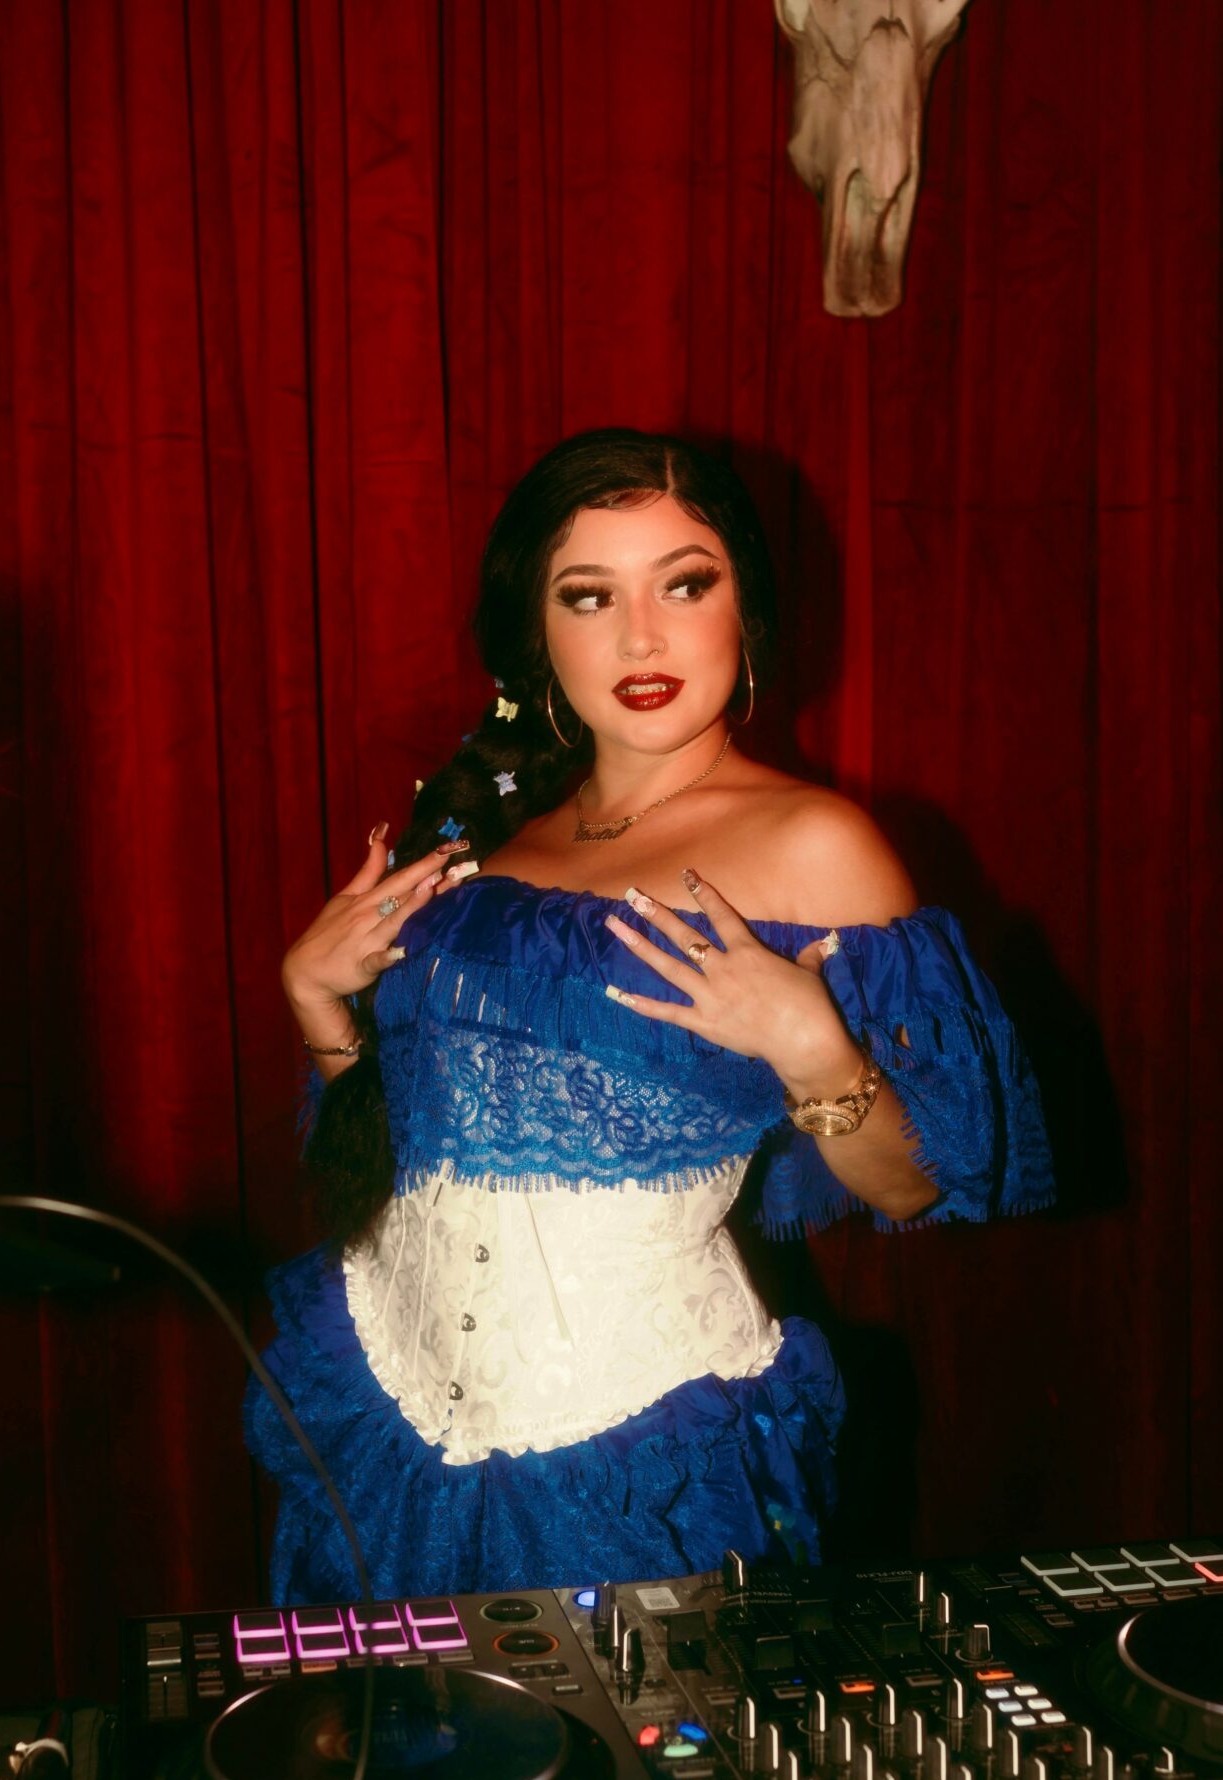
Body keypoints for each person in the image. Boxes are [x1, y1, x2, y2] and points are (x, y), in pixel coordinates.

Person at [244, 427, 1054, 1605]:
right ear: (537, 631)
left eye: (685, 582)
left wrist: (809, 1043)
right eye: (589, 594)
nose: (640, 636)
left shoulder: (812, 844)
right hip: (384, 1431)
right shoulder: (487, 850)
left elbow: (914, 1183)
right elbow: (384, 1160)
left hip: (631, 1464)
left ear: (747, 608)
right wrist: (320, 1007)